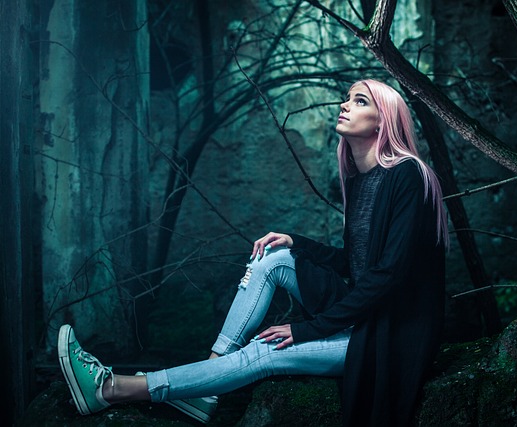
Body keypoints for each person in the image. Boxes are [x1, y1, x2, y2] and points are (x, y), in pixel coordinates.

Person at [57, 79, 448, 426]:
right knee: (273, 258)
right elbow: (356, 264)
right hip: (365, 317)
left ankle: (114, 389)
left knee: (267, 348)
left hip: (387, 335)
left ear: (384, 121)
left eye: (360, 101)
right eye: (346, 98)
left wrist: (307, 330)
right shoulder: (362, 181)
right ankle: (207, 380)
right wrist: (296, 241)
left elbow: (388, 275)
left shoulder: (408, 175)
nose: (345, 105)